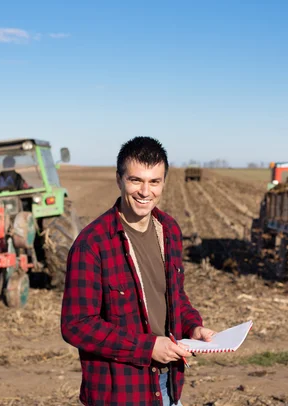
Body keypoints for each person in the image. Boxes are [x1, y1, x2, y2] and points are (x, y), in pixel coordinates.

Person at [61, 136, 215, 406]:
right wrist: (148, 347)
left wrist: (193, 327)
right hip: (120, 392)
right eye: (136, 180)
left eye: (154, 182)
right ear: (119, 179)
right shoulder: (92, 244)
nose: (145, 192)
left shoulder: (169, 230)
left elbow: (175, 296)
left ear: (163, 183)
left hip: (168, 384)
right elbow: (77, 326)